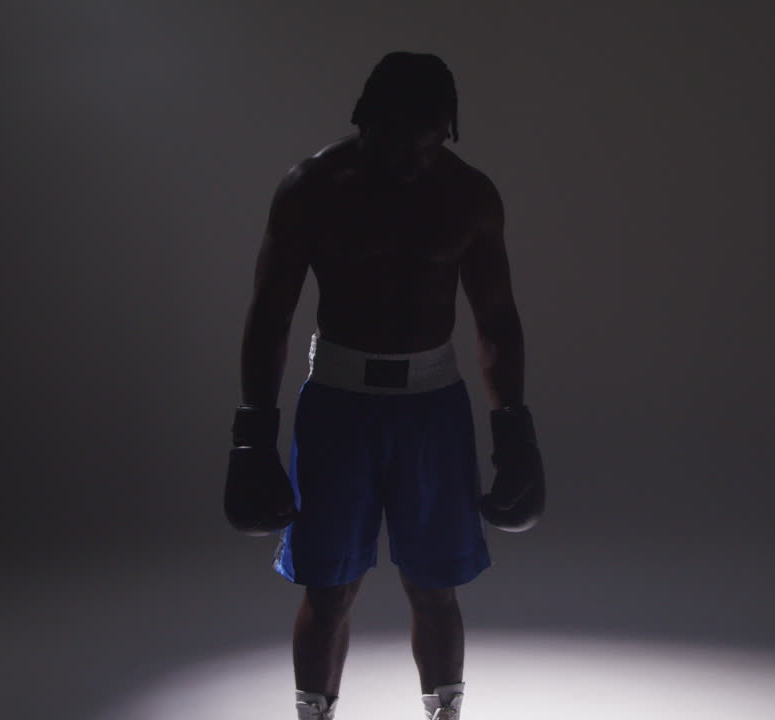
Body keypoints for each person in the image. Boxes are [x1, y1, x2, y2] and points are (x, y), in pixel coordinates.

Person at [225, 51, 545, 720]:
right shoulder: (312, 189)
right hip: (338, 407)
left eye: (423, 136)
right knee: (329, 585)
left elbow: (497, 319)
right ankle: (315, 714)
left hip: (433, 408)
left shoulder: (468, 195)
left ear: (446, 130)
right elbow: (270, 315)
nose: (406, 151)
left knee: (435, 585)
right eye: (391, 133)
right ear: (365, 122)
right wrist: (251, 437)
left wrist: (514, 430)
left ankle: (445, 713)